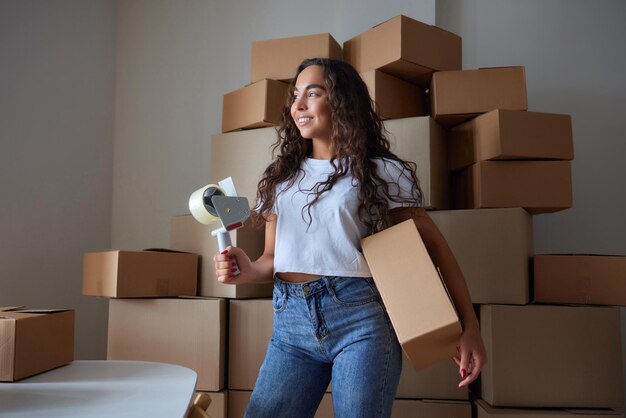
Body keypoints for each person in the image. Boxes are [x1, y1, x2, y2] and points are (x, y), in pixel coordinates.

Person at [214, 57, 486, 418]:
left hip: (361, 322)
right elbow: (271, 260)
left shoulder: (380, 172)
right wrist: (246, 270)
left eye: (313, 94)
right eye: (296, 96)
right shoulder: (282, 179)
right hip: (291, 325)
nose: (298, 105)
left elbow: (434, 247)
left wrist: (470, 327)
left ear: (342, 101)